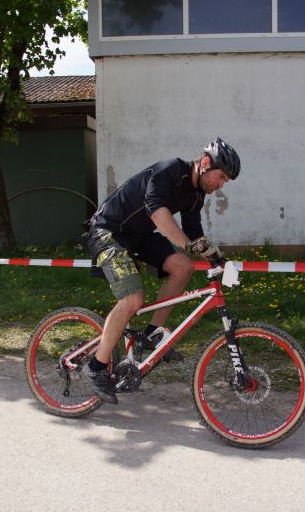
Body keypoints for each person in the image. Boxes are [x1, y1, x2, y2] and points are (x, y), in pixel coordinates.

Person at [82, 137, 241, 404]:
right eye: (222, 176)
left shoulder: (196, 195)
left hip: (139, 236)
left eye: (226, 180)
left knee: (184, 266)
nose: (222, 184)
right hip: (108, 230)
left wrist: (218, 258)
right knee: (132, 298)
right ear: (205, 163)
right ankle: (96, 366)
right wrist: (188, 245)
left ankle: (151, 334)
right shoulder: (170, 170)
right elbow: (157, 211)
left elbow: (194, 234)